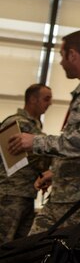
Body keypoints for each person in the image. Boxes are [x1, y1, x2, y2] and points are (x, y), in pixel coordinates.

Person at [8, 31, 80, 233]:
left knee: (43, 255)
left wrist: (34, 142)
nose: (61, 63)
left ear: (72, 55)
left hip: (77, 199)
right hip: (66, 193)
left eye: (62, 56)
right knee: (34, 252)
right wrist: (56, 172)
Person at [0, 84, 53, 243]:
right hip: (11, 194)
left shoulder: (33, 125)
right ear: (32, 99)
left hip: (26, 193)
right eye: (46, 99)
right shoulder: (18, 124)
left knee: (19, 245)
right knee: (5, 242)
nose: (50, 103)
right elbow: (39, 157)